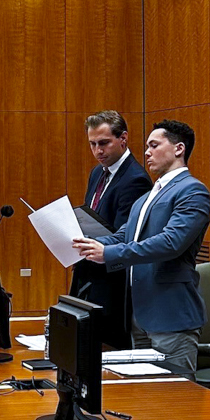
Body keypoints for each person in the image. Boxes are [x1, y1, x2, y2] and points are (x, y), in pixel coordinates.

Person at [73, 120, 210, 379]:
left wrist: (110, 254)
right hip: (139, 317)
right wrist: (91, 245)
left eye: (154, 145)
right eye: (146, 147)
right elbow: (125, 235)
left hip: (171, 316)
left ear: (179, 148)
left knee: (176, 401)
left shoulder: (192, 191)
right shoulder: (146, 197)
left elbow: (171, 242)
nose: (146, 152)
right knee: (145, 399)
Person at [69, 111, 152, 349]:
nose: (98, 151)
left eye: (104, 143)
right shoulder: (97, 173)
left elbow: (125, 236)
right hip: (88, 272)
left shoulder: (136, 179)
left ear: (123, 138)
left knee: (105, 349)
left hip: (112, 281)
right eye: (92, 144)